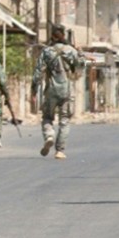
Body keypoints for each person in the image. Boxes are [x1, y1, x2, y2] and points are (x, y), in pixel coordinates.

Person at [31, 25, 85, 160]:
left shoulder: (46, 51)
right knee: (65, 120)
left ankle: (49, 135)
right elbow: (80, 66)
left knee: (47, 117)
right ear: (63, 35)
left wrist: (33, 90)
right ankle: (60, 150)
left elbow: (38, 72)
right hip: (66, 90)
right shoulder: (71, 51)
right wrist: (80, 53)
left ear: (52, 36)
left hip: (50, 90)